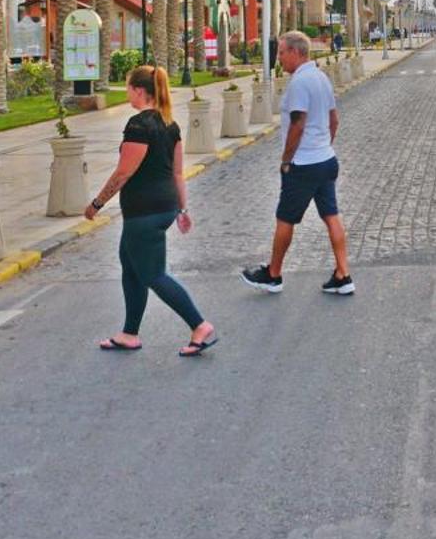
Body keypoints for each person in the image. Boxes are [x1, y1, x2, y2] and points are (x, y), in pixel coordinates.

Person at [86, 65, 217, 356]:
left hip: (144, 212)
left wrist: (97, 203)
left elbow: (123, 173)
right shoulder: (170, 124)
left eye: (129, 87)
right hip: (163, 207)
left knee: (154, 274)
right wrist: (182, 208)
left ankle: (199, 325)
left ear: (139, 90)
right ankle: (129, 333)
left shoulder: (139, 126)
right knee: (131, 267)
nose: (127, 92)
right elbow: (178, 173)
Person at [242, 31, 353, 296]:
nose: (279, 58)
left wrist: (286, 160)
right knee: (331, 216)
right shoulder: (321, 78)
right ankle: (343, 274)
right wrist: (324, 146)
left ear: (296, 52)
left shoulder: (300, 83)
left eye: (281, 52)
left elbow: (298, 123)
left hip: (303, 165)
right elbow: (333, 120)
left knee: (285, 218)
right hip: (326, 160)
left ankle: (273, 274)